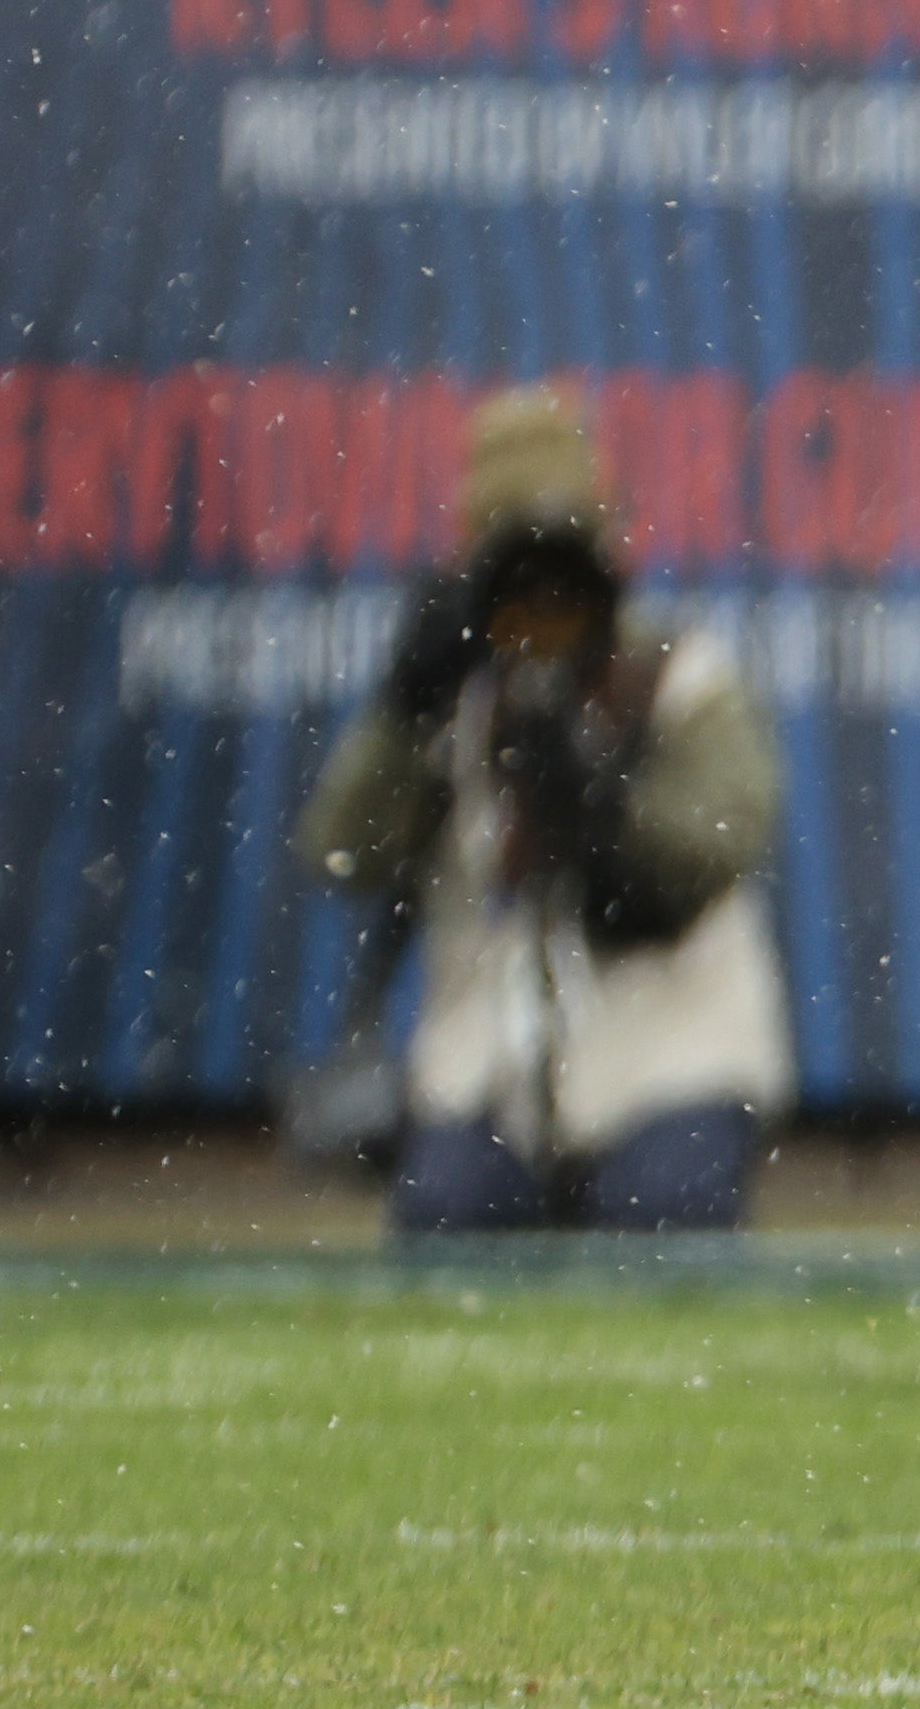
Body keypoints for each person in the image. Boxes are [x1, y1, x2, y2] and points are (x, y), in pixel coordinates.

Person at [294, 387, 793, 1237]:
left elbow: (719, 848)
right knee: (448, 1223)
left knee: (666, 1219)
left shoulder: (677, 679)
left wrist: (597, 796)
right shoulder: (456, 700)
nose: (541, 605)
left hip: (672, 1054)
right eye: (513, 570)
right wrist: (402, 712)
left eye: (562, 568)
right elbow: (344, 853)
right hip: (486, 1067)